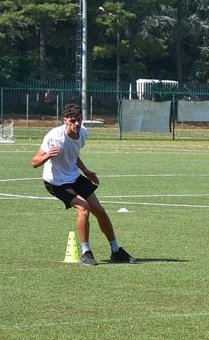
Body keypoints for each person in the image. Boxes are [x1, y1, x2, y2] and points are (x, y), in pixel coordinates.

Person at [32, 103, 136, 266]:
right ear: (64, 120)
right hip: (56, 182)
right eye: (72, 120)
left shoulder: (83, 133)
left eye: (79, 120)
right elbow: (34, 162)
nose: (77, 124)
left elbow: (73, 155)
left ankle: (116, 250)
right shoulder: (54, 136)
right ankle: (86, 253)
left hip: (74, 177)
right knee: (83, 207)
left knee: (100, 211)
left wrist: (86, 171)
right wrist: (47, 156)